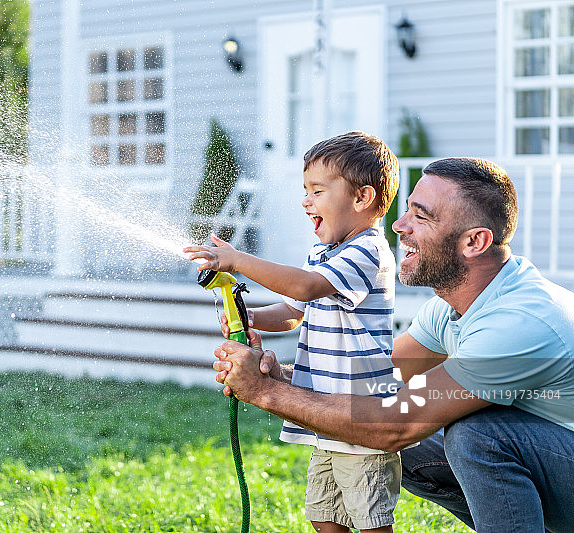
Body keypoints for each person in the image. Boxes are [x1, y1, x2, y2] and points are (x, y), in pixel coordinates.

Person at [210, 157, 574, 533]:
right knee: (412, 444)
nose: (399, 225)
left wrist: (264, 392)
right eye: (407, 210)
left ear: (474, 242)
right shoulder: (453, 306)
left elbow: (395, 425)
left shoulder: (520, 322)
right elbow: (378, 381)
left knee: (473, 435)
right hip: (555, 462)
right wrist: (280, 377)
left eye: (421, 216)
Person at [185, 131, 402, 533]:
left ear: (362, 198)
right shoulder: (322, 253)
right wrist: (249, 317)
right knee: (324, 516)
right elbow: (292, 311)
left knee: (370, 520)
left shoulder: (368, 250)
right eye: (306, 191)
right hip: (325, 414)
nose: (306, 201)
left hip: (360, 415)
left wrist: (237, 261)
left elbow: (303, 288)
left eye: (317, 191)